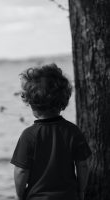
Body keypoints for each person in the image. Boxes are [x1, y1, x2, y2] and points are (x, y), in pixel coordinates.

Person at [10, 63, 92, 200]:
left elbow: (21, 170)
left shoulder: (28, 135)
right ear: (63, 100)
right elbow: (83, 165)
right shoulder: (73, 131)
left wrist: (19, 195)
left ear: (31, 102)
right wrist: (81, 191)